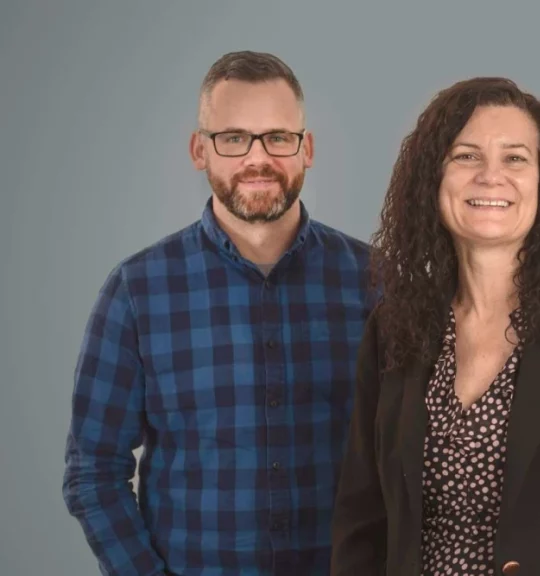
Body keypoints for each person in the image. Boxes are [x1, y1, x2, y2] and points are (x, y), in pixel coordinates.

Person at [329, 77, 540, 576]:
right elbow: (362, 518)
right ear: (433, 178)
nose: (491, 176)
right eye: (466, 156)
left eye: (515, 158)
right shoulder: (395, 324)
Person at [62, 51, 373, 575]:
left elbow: (416, 457)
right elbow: (92, 472)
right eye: (233, 138)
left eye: (278, 137)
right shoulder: (137, 290)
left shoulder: (374, 282)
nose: (258, 158)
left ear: (308, 148)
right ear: (199, 150)